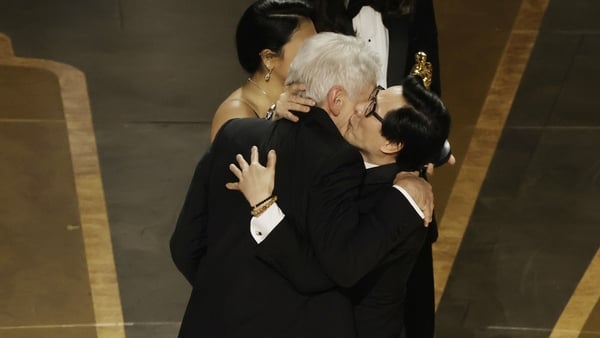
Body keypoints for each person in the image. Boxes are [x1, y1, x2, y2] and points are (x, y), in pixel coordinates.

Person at [170, 32, 434, 338]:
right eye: (369, 98)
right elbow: (324, 273)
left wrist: (224, 296)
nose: (364, 110)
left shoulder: (234, 133)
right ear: (337, 99)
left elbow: (184, 245)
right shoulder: (341, 164)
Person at [228, 75, 450, 338]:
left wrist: (263, 206)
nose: (357, 107)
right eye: (375, 94)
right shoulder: (355, 161)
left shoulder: (401, 201)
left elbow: (331, 268)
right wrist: (277, 113)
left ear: (391, 144)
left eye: (370, 109)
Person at [209, 0, 317, 141]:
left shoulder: (307, 98)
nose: (318, 55)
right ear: (269, 58)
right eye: (308, 48)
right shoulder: (236, 113)